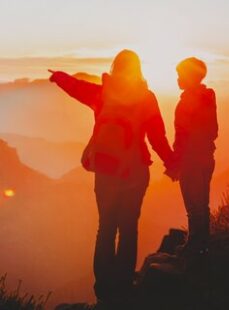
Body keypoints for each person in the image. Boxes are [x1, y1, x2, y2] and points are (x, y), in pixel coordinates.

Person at [49, 49, 174, 305]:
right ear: (137, 69)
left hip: (106, 172)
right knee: (128, 229)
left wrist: (59, 77)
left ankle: (104, 288)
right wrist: (172, 163)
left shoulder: (102, 93)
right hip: (135, 171)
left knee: (105, 229)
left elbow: (77, 88)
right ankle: (124, 285)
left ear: (115, 67)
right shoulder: (146, 98)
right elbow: (157, 137)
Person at [167, 57, 218, 256]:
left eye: (180, 75)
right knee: (202, 203)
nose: (177, 79)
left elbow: (182, 135)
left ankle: (195, 246)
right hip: (206, 156)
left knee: (193, 203)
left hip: (191, 159)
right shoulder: (208, 97)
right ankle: (202, 244)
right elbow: (213, 131)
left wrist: (175, 163)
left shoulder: (189, 101)